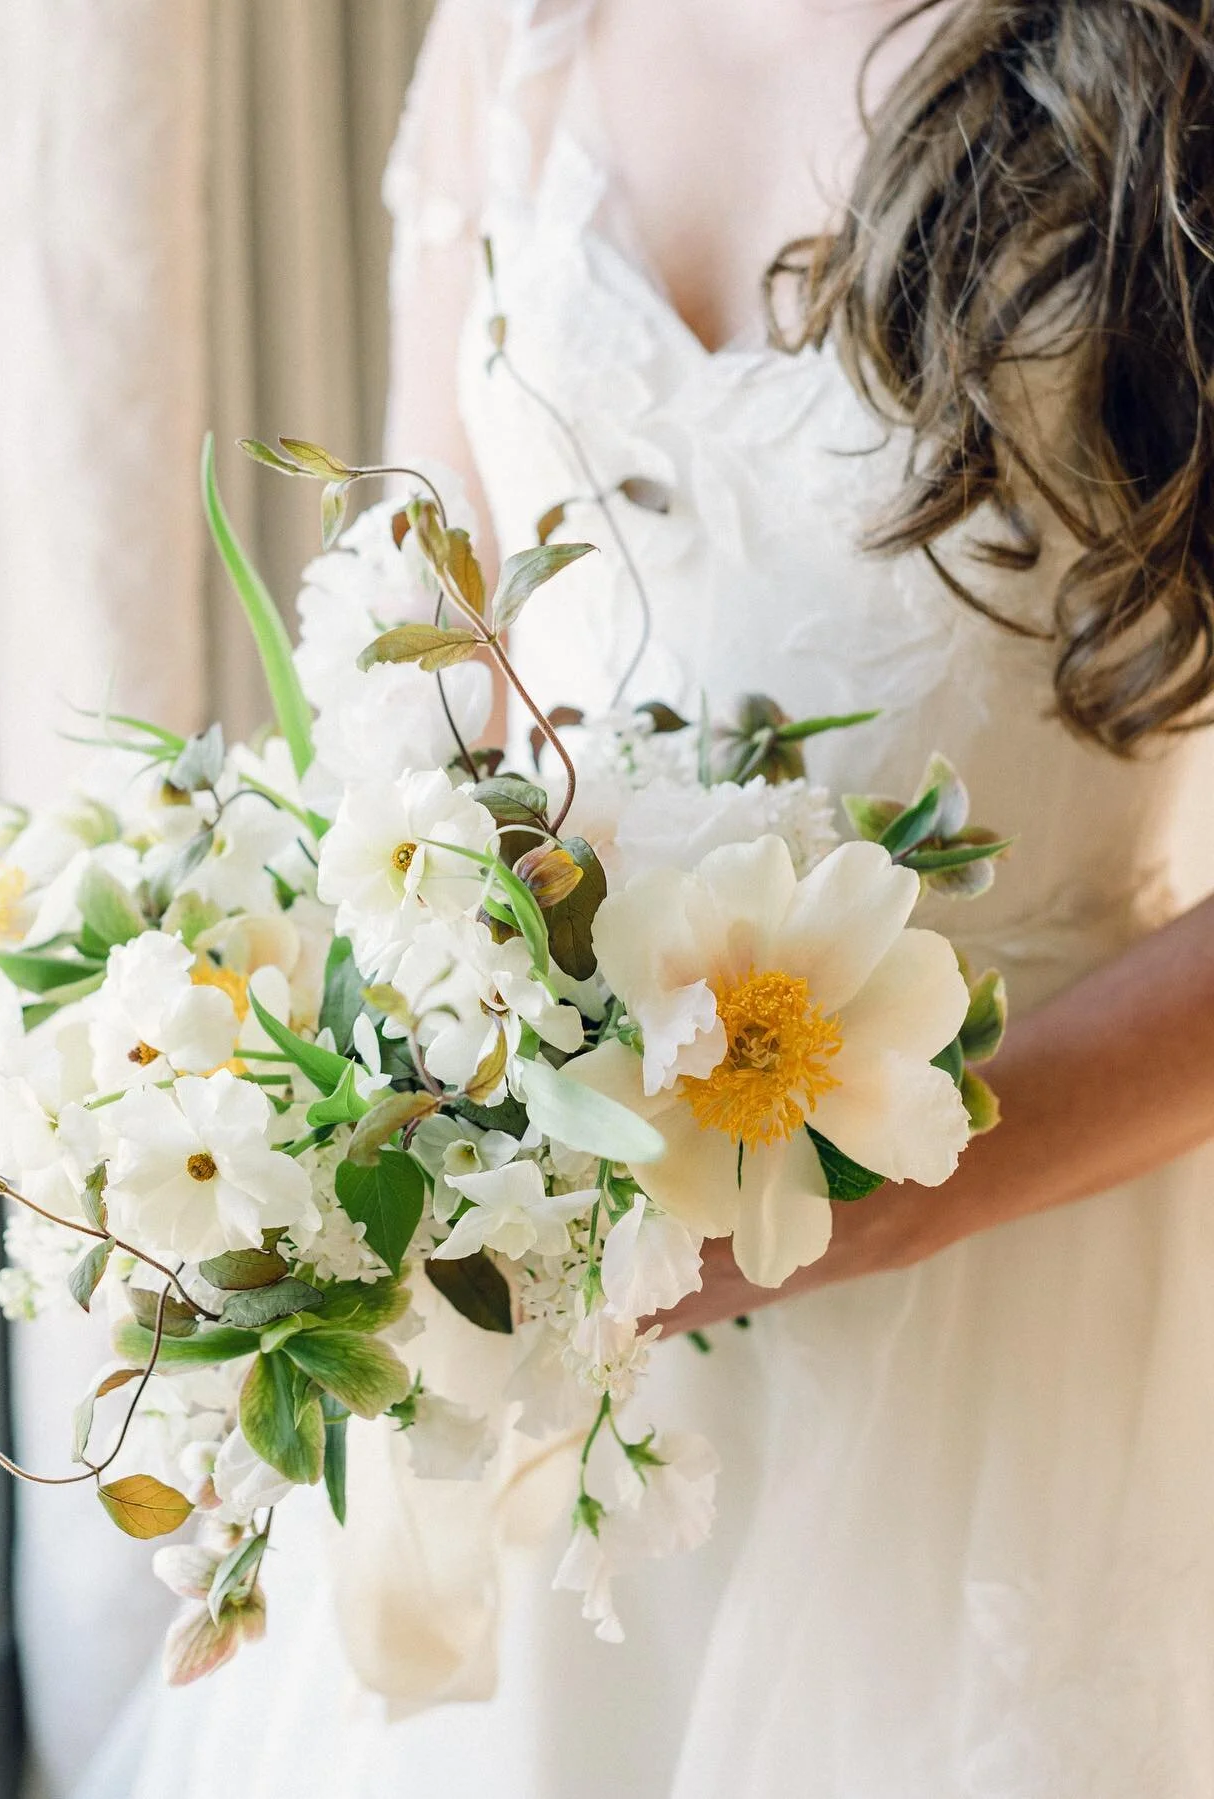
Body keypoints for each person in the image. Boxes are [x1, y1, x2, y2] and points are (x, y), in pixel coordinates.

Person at [85, 2, 1214, 1792]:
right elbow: (417, 661)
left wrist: (894, 1200)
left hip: (1032, 1260)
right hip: (557, 1238)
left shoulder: (1172, 72)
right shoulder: (515, 44)